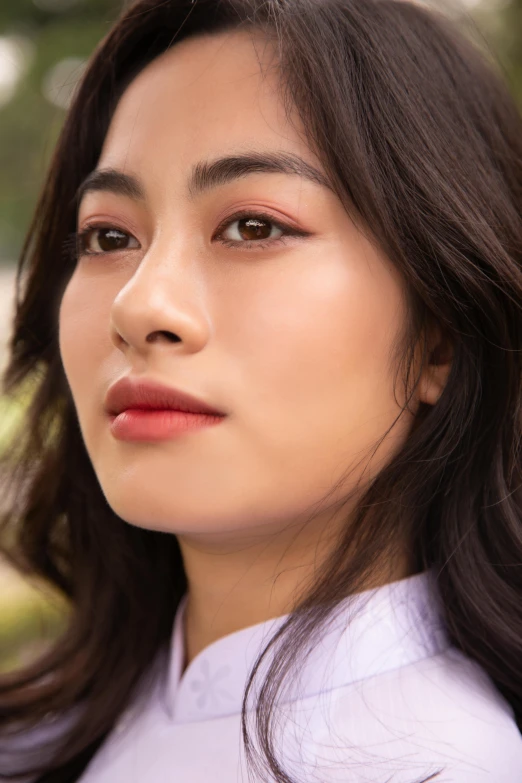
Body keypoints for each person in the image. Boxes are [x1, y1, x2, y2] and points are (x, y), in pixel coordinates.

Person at [1, 0, 522, 780]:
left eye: (252, 226)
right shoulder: (43, 731)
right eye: (109, 236)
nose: (140, 305)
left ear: (440, 335)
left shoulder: (450, 762)